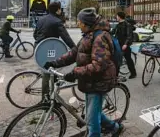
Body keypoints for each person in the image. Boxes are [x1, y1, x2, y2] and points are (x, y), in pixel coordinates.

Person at [43, 8, 124, 137]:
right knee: (92, 113)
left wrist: (75, 73)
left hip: (99, 82)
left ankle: (105, 131)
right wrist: (55, 62)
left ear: (86, 23)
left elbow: (98, 66)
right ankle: (114, 128)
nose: (78, 24)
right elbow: (74, 53)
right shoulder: (89, 34)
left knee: (92, 122)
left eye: (79, 22)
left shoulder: (100, 37)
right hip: (90, 81)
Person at [34, 1, 77, 100]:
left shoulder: (41, 19)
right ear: (58, 10)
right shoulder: (57, 21)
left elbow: (35, 35)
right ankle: (50, 99)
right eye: (60, 9)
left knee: (45, 70)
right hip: (51, 49)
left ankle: (47, 97)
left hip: (39, 48)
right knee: (50, 72)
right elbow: (66, 38)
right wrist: (75, 49)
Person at [113, 11, 136, 79]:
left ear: (119, 17)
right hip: (118, 45)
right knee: (117, 60)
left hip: (124, 45)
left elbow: (129, 36)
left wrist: (125, 44)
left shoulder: (127, 25)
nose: (116, 17)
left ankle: (133, 73)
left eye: (117, 16)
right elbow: (113, 32)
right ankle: (115, 75)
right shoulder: (118, 25)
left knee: (128, 60)